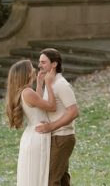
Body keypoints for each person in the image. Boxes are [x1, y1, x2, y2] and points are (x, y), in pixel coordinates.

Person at [5, 59, 57, 186]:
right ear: (27, 73)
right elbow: (51, 106)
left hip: (33, 134)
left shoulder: (26, 92)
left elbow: (37, 104)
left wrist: (39, 84)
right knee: (36, 175)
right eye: (31, 68)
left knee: (34, 175)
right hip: (37, 136)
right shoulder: (27, 92)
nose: (34, 69)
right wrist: (49, 84)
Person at [35, 48, 79, 186]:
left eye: (43, 62)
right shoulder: (51, 83)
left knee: (50, 179)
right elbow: (40, 104)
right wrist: (40, 84)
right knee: (62, 179)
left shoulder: (61, 85)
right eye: (39, 62)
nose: (39, 65)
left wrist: (51, 126)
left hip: (62, 137)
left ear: (54, 64)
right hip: (55, 137)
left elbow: (73, 112)